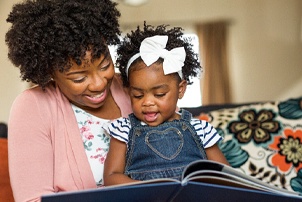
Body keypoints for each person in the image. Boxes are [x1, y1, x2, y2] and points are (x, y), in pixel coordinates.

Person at [5, 0, 132, 201]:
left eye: (105, 65)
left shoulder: (131, 87)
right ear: (50, 72)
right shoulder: (32, 107)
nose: (98, 84)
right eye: (79, 78)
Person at [103, 23, 229, 186]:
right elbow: (111, 177)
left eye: (159, 94)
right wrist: (147, 189)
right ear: (128, 92)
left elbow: (225, 176)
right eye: (138, 95)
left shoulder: (200, 129)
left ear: (181, 89)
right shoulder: (123, 129)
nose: (147, 102)